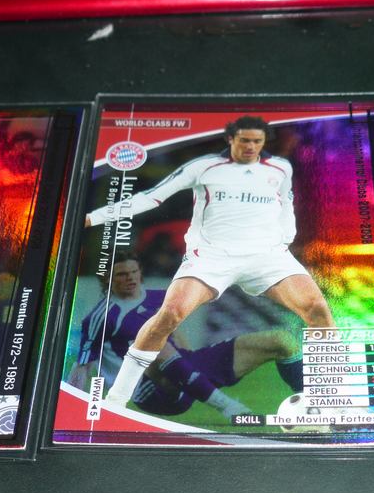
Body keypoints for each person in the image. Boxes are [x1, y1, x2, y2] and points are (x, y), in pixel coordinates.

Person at [84, 116, 333, 409]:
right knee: (169, 315)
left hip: (267, 256)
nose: (251, 146)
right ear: (231, 139)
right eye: (245, 140)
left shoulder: (280, 168)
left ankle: (331, 397)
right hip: (212, 258)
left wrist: (284, 240)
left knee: (317, 308)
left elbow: (286, 205)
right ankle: (116, 400)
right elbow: (152, 198)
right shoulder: (203, 167)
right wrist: (92, 218)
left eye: (257, 141)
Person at [67, 253, 304, 419]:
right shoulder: (100, 317)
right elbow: (82, 365)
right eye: (121, 274)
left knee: (282, 340)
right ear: (107, 279)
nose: (130, 278)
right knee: (154, 342)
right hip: (148, 391)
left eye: (133, 272)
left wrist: (191, 368)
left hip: (180, 370)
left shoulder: (159, 297)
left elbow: (176, 333)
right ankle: (229, 407)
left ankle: (309, 402)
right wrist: (71, 410)